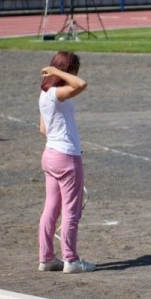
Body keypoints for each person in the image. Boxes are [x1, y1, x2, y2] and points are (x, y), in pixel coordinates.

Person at [37, 51, 96, 272]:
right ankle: (70, 259)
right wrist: (57, 72)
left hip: (50, 154)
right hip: (67, 156)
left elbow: (43, 129)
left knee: (50, 209)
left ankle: (47, 258)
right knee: (71, 210)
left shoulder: (45, 94)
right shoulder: (57, 94)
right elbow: (81, 84)